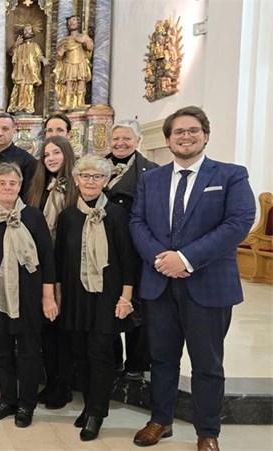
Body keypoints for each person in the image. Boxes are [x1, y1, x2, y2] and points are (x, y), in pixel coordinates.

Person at [130, 106, 255, 451]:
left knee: (207, 363)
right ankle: (160, 420)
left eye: (193, 130)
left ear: (205, 135)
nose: (185, 136)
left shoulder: (231, 175)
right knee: (163, 358)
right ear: (168, 139)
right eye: (178, 132)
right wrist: (163, 260)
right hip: (160, 284)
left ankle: (207, 432)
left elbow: (238, 223)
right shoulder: (150, 179)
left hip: (208, 284)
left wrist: (185, 259)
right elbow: (136, 223)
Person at [56, 154, 137, 441]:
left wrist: (126, 298)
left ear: (105, 181)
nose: (91, 182)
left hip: (107, 297)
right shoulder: (67, 216)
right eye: (85, 176)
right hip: (76, 297)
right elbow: (60, 260)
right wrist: (57, 297)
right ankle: (90, 403)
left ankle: (96, 413)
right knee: (81, 354)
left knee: (100, 354)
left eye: (97, 177)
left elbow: (128, 259)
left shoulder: (116, 214)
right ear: (76, 180)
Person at [0, 163, 56, 428]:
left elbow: (47, 259)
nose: (7, 188)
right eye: (2, 183)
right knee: (1, 351)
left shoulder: (33, 217)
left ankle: (26, 404)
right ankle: (8, 399)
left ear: (20, 187)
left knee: (29, 352)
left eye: (13, 183)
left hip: (29, 297)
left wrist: (48, 297)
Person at [24, 135, 79, 410]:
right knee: (46, 327)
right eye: (46, 155)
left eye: (56, 153)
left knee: (63, 328)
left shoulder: (76, 187)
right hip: (42, 262)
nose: (51, 159)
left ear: (66, 155)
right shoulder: (38, 187)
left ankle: (64, 385)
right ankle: (51, 380)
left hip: (67, 265)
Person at [103, 120, 159, 381]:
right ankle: (112, 360)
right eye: (116, 138)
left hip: (136, 250)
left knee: (137, 307)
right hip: (103, 249)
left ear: (138, 141)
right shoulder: (97, 167)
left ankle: (136, 364)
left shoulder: (152, 172)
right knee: (107, 306)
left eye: (127, 138)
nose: (120, 143)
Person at [0, 112, 36, 197]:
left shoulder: (27, 160)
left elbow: (28, 195)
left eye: (5, 129)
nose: (0, 133)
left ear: (14, 131)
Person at [53, 15, 93, 111]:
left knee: (81, 81)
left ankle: (80, 102)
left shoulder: (83, 36)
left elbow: (90, 47)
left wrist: (85, 41)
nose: (72, 23)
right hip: (69, 62)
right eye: (70, 21)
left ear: (78, 23)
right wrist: (60, 53)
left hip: (81, 61)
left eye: (74, 20)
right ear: (68, 25)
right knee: (69, 82)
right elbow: (58, 57)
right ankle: (67, 102)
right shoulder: (65, 40)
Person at [8, 25, 47, 114]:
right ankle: (18, 106)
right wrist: (16, 44)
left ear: (32, 32)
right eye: (25, 30)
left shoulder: (34, 45)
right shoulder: (19, 46)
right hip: (20, 71)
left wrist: (43, 59)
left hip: (30, 71)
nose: (26, 31)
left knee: (28, 88)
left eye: (28, 29)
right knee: (19, 88)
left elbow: (39, 55)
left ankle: (26, 107)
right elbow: (10, 53)